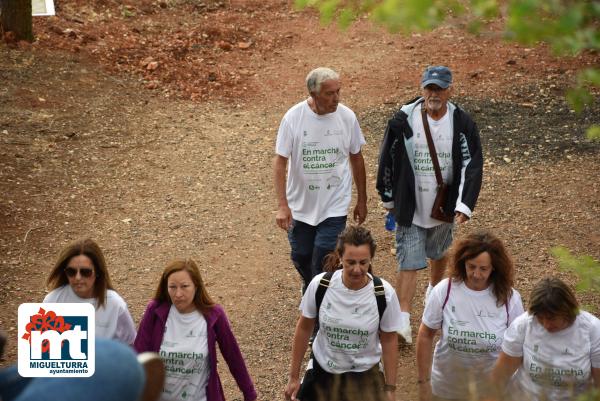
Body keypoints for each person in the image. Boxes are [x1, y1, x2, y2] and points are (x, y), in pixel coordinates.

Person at [376, 65, 483, 343]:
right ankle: (403, 322)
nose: (434, 93)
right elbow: (386, 157)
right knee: (408, 261)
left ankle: (434, 296)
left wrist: (464, 203)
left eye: (440, 88)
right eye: (430, 88)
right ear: (422, 88)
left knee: (438, 253)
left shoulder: (462, 122)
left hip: (443, 205)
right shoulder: (403, 119)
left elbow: (472, 163)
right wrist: (387, 196)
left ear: (450, 90)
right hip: (410, 204)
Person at [274, 66, 368, 295]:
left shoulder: (347, 117)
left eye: (338, 91)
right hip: (300, 206)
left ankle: (318, 304)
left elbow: (356, 158)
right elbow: (280, 162)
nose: (336, 98)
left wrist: (362, 199)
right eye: (330, 93)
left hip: (334, 203)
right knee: (301, 255)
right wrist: (283, 205)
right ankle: (311, 286)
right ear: (314, 94)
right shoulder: (293, 118)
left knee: (325, 255)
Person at [284, 226, 403, 401]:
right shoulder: (320, 285)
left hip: (365, 378)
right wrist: (293, 378)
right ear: (340, 258)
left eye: (363, 262)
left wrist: (390, 388)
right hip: (322, 374)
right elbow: (304, 328)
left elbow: (389, 339)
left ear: (371, 259)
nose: (357, 269)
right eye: (350, 262)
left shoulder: (384, 293)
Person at [415, 231, 524, 401]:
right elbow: (425, 334)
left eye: (483, 269)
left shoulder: (510, 299)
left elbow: (518, 348)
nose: (476, 274)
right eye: (471, 266)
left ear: (494, 267)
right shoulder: (445, 290)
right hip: (445, 389)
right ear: (462, 262)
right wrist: (423, 382)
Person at [134, 258, 257, 401]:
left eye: (184, 286)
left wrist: (249, 393)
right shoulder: (154, 311)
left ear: (196, 286)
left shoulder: (214, 315)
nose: (178, 294)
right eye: (172, 287)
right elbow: (138, 357)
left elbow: (233, 356)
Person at [490, 277, 600, 401]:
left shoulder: (592, 330)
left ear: (567, 310)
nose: (546, 324)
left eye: (551, 318)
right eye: (540, 318)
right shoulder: (523, 325)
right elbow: (499, 378)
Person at [43, 238, 136, 345]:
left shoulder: (116, 305)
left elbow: (131, 345)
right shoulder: (52, 300)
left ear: (97, 272)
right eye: (71, 272)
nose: (78, 277)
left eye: (85, 272)